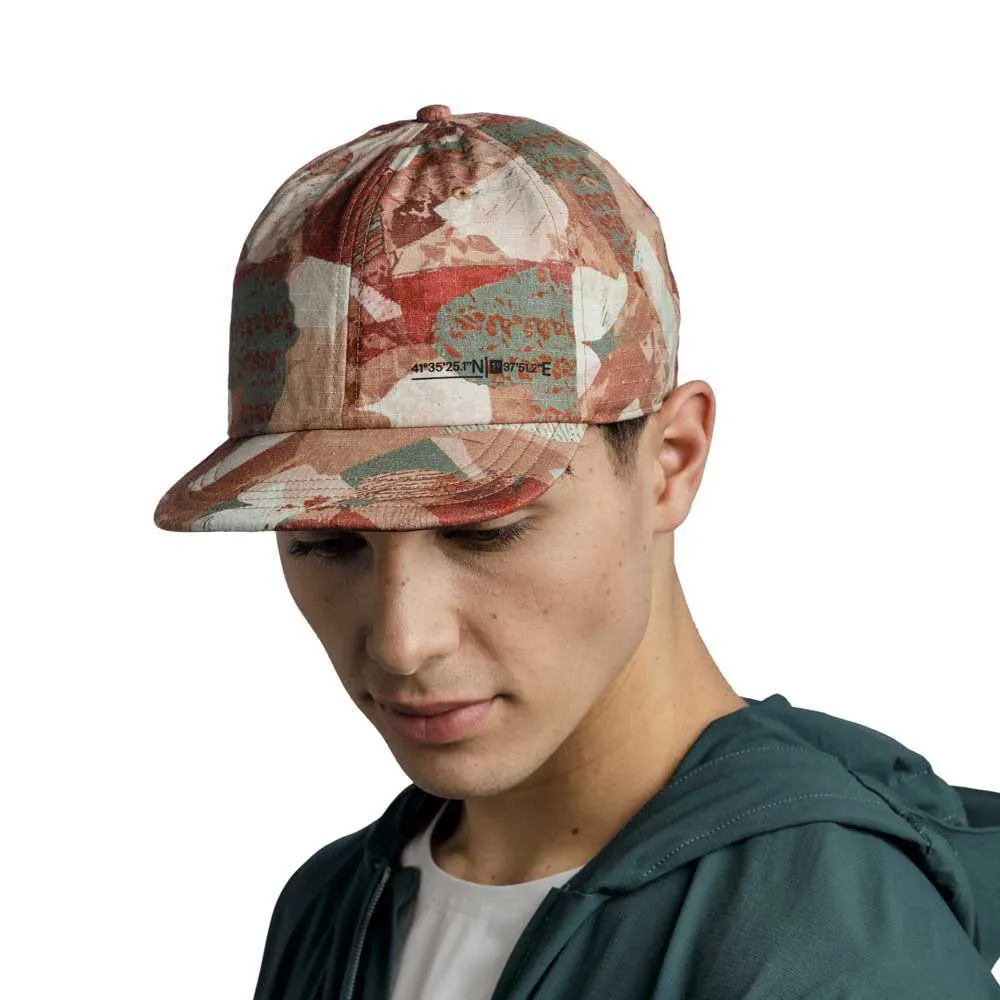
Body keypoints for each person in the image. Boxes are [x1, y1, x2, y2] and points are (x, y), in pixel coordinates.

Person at [153, 105, 1000, 999]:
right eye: (325, 542)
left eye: (486, 528)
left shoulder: (829, 949)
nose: (402, 643)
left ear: (672, 461)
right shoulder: (333, 907)